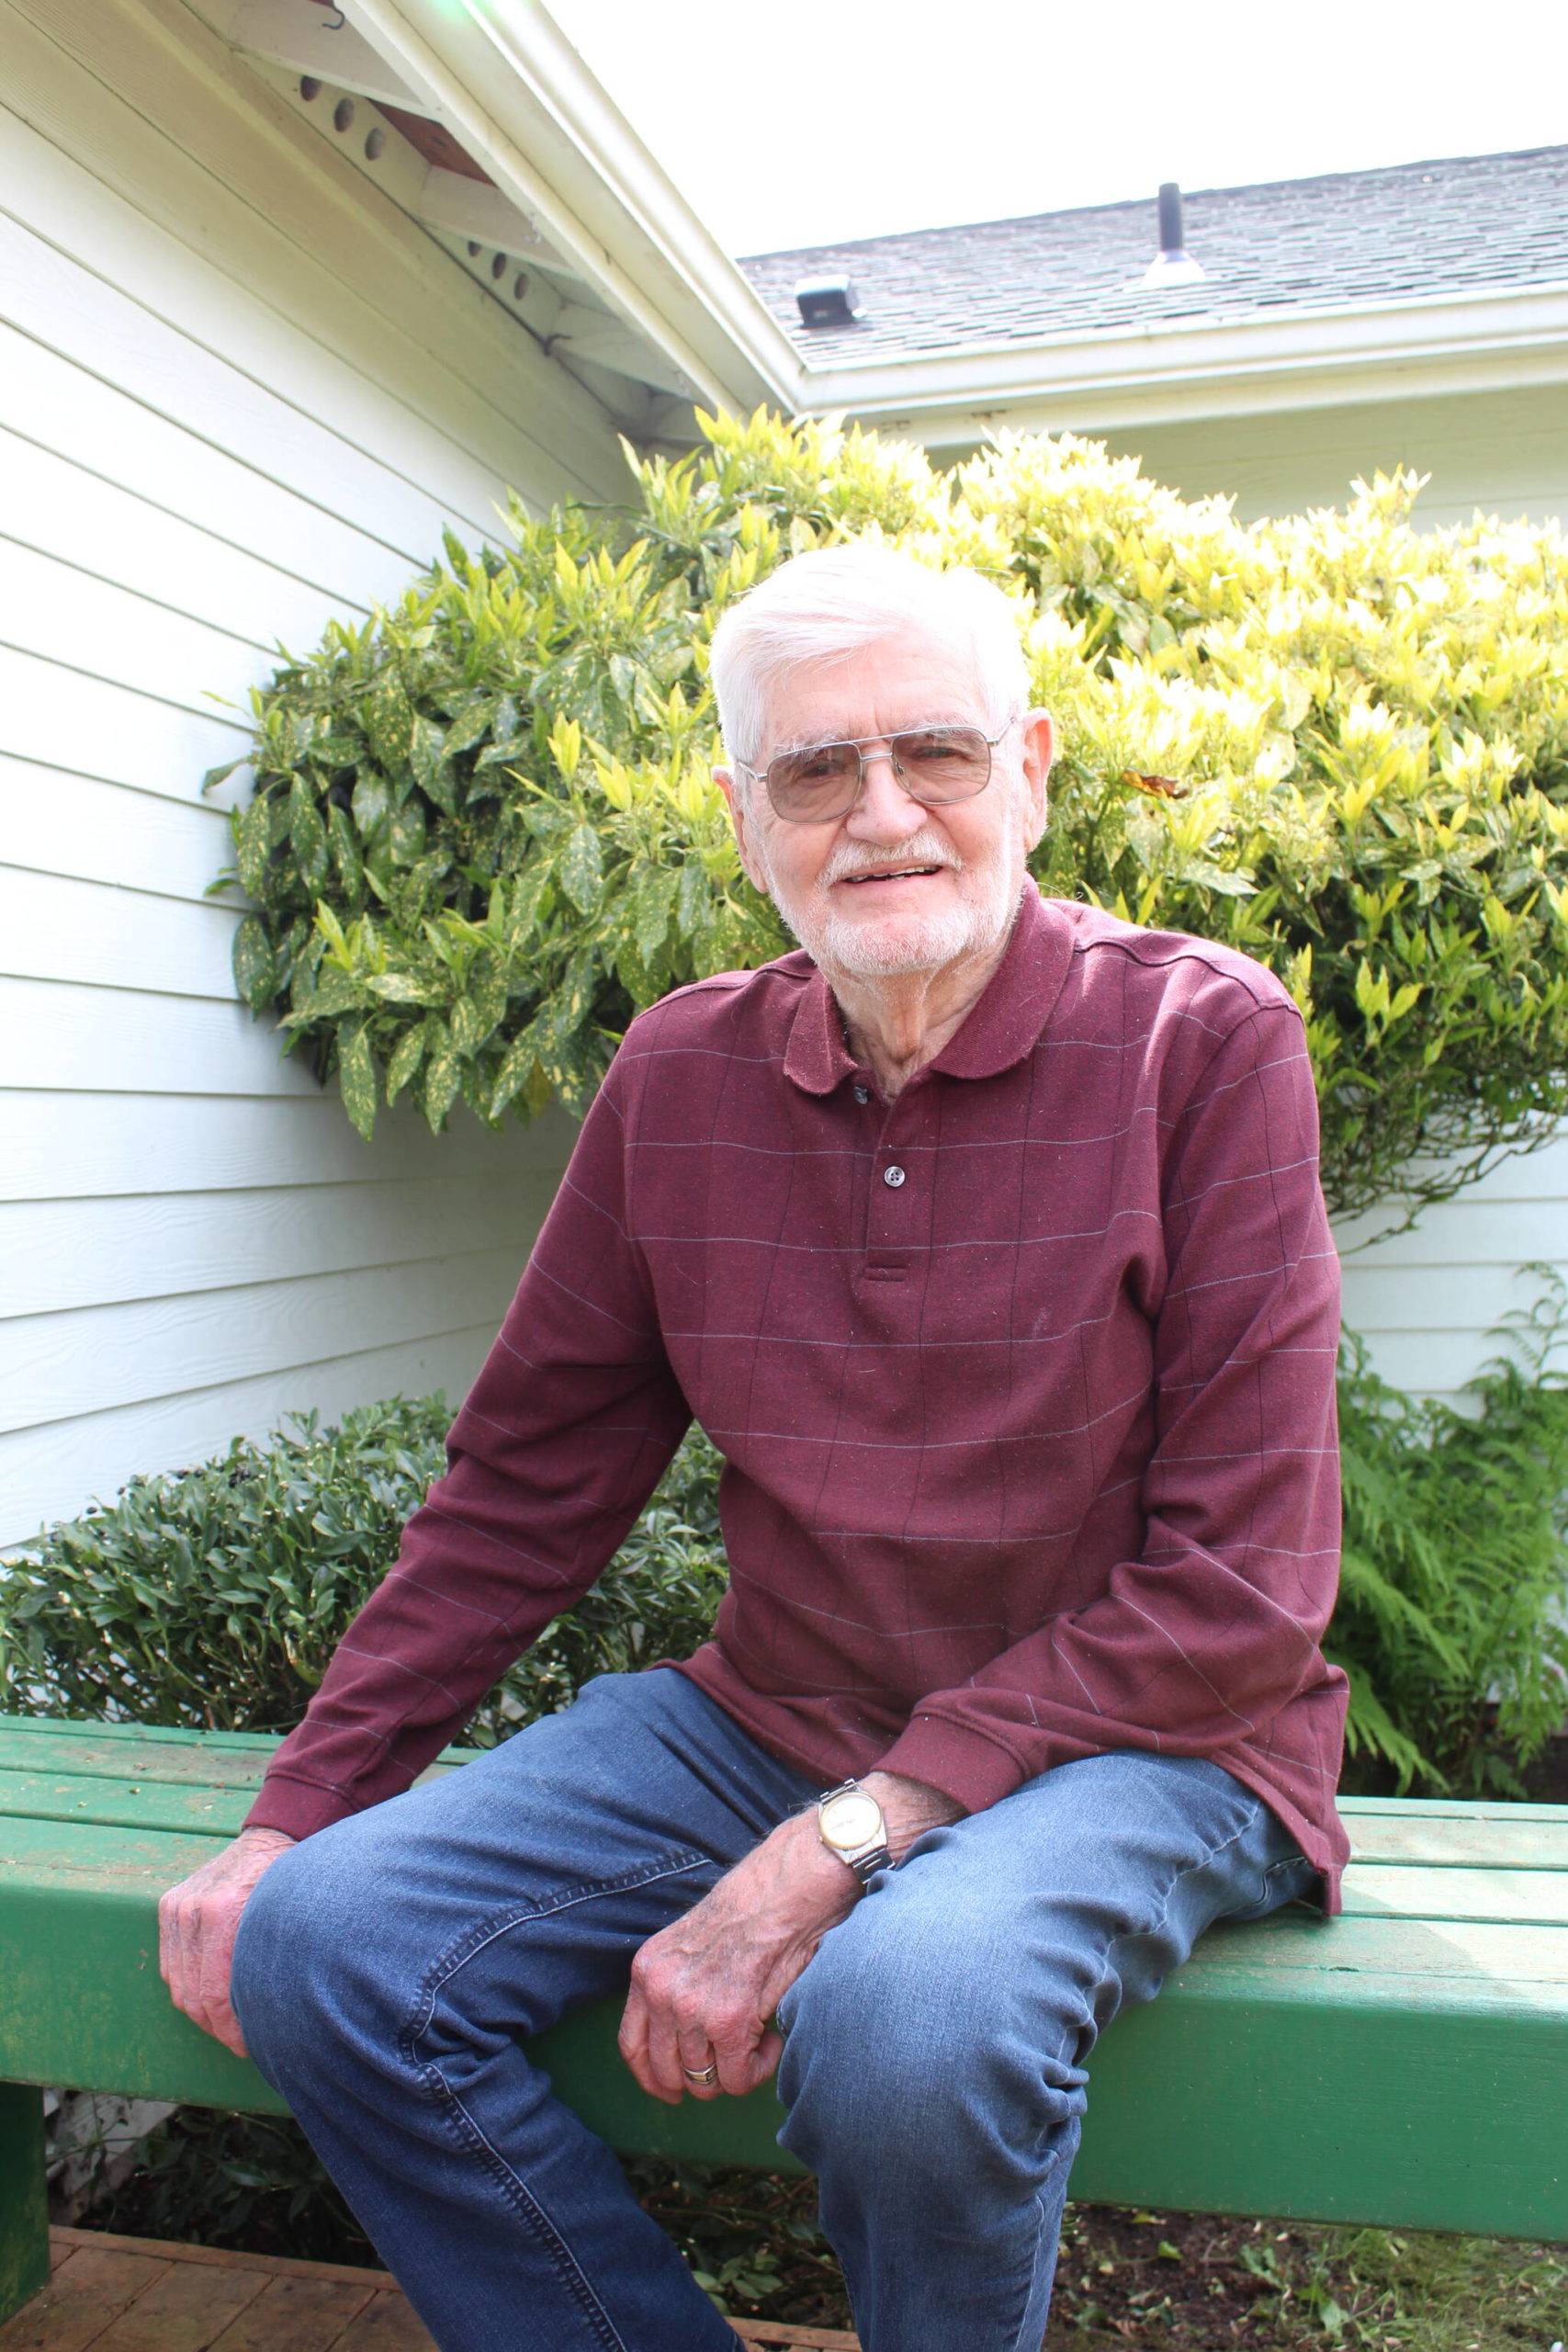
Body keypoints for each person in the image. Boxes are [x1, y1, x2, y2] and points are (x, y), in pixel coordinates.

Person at [159, 544, 1348, 2352]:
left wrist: (833, 1850)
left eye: (931, 752)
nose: (879, 813)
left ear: (1027, 768)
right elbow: (519, 1485)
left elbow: (1242, 1592)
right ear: (741, 816)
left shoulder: (1199, 1039)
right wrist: (292, 1809)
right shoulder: (681, 1073)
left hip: (1146, 1743)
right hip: (780, 1716)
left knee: (904, 2013)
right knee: (327, 1942)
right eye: (813, 769)